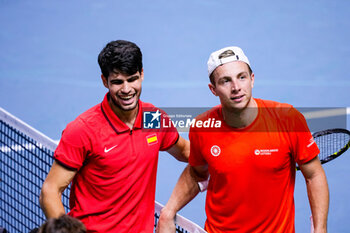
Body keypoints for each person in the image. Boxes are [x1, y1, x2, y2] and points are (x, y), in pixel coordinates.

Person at [157, 46, 329, 233]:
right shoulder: (202, 127)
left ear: (252, 79)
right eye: (225, 81)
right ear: (213, 89)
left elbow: (314, 175)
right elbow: (197, 173)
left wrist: (320, 229)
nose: (236, 87)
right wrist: (169, 211)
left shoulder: (288, 118)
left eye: (242, 77)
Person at [39, 40, 189, 233]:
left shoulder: (153, 118)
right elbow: (49, 192)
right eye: (118, 82)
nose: (127, 90)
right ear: (104, 81)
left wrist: (227, 154)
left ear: (142, 74)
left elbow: (185, 151)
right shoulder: (83, 130)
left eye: (132, 79)